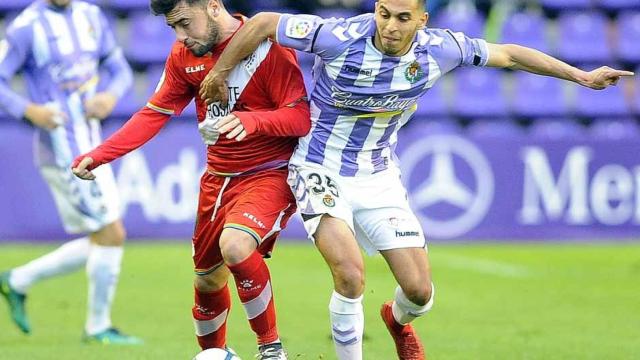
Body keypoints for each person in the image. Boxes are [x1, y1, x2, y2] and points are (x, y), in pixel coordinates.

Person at [198, 0, 634, 359]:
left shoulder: (440, 49)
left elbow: (510, 54)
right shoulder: (335, 36)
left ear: (421, 20)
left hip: (378, 173)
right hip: (318, 167)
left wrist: (580, 76)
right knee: (349, 275)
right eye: (383, 13)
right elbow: (262, 23)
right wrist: (219, 74)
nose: (389, 25)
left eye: (402, 18)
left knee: (420, 292)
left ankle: (396, 319)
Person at [71, 0, 310, 358]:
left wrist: (253, 121)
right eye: (174, 28)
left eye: (185, 22)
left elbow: (300, 119)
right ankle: (214, 353)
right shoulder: (184, 56)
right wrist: (100, 154)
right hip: (217, 179)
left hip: (269, 172)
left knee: (235, 246)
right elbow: (154, 113)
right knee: (207, 280)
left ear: (213, 7)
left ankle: (271, 349)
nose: (181, 36)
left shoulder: (268, 48)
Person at [0, 0, 142, 345]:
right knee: (111, 233)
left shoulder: (91, 16)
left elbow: (121, 69)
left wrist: (110, 96)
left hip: (92, 146)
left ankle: (16, 280)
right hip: (61, 150)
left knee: (105, 236)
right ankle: (97, 328)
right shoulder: (25, 26)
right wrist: (28, 109)